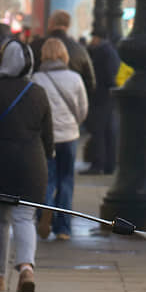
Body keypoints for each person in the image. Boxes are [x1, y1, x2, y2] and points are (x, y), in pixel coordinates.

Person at [0, 40, 53, 292]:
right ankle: (26, 267)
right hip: (32, 165)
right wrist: (47, 156)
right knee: (25, 217)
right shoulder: (38, 92)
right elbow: (48, 136)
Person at [31, 38, 88, 241]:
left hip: (46, 138)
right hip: (69, 136)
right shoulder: (75, 78)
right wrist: (74, 124)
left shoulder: (36, 78)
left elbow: (34, 109)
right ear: (65, 55)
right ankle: (63, 227)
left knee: (48, 179)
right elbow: (83, 109)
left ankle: (45, 213)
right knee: (66, 180)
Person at [81, 29, 121, 175]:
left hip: (101, 98)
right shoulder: (108, 51)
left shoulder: (103, 52)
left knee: (99, 131)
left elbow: (109, 76)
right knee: (108, 132)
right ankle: (108, 164)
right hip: (106, 98)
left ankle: (98, 164)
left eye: (93, 37)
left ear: (98, 38)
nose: (92, 40)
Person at [30, 10, 96, 95]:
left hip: (40, 100)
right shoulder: (80, 49)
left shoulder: (35, 45)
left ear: (51, 23)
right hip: (71, 101)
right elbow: (90, 83)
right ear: (68, 25)